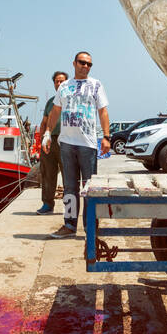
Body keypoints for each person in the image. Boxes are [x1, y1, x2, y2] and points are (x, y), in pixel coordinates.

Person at [43, 51, 109, 239]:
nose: (85, 66)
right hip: (67, 144)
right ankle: (69, 225)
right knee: (70, 187)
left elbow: (103, 112)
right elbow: (55, 112)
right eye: (82, 63)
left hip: (88, 145)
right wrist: (47, 133)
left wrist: (106, 136)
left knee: (90, 187)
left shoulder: (96, 85)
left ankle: (90, 227)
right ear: (74, 63)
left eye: (89, 64)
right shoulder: (64, 87)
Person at [34, 71, 68, 214]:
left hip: (67, 140)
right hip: (50, 140)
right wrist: (42, 141)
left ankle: (69, 206)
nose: (59, 84)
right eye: (56, 82)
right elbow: (43, 123)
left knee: (69, 174)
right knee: (47, 173)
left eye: (62, 81)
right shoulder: (50, 102)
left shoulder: (72, 101)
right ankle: (47, 204)